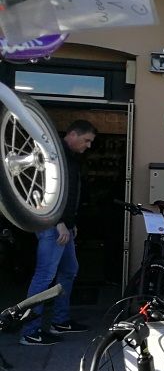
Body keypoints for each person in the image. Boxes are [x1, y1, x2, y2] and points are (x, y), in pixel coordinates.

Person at [22, 119, 97, 345]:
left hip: (64, 227)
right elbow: (42, 191)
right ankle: (29, 331)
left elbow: (67, 193)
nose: (88, 146)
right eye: (86, 140)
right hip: (53, 226)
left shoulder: (70, 158)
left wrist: (70, 222)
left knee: (69, 270)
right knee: (44, 277)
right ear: (72, 135)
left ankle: (60, 320)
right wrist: (58, 222)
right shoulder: (53, 156)